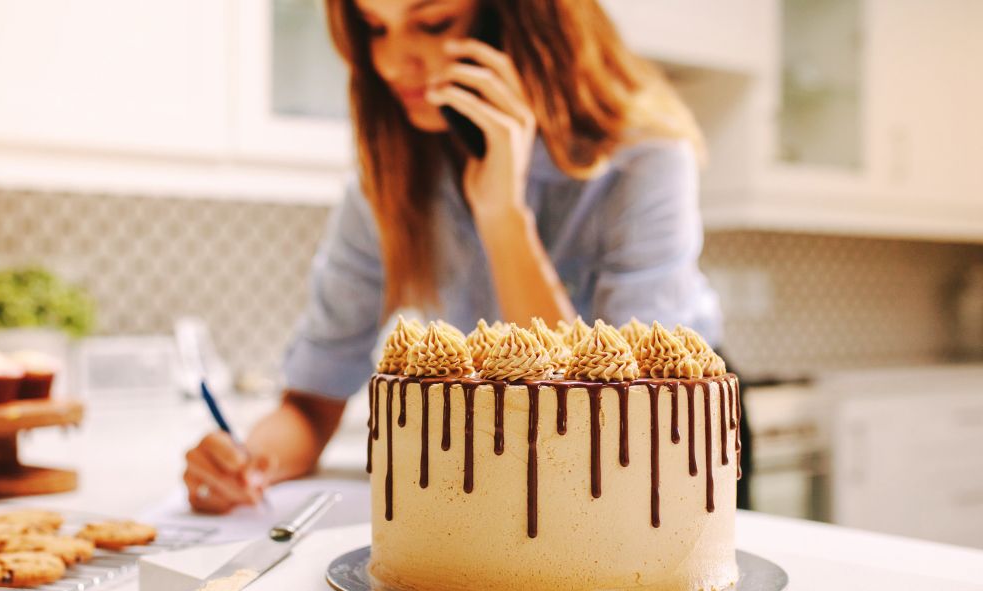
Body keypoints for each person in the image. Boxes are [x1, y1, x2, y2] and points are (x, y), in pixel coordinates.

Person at [183, 0, 734, 514]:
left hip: (665, 459)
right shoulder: (392, 179)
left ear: (518, 19)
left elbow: (615, 428)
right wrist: (245, 465)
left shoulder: (646, 159)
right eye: (376, 28)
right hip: (521, 462)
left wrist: (503, 216)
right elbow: (312, 402)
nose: (395, 62)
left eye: (434, 23)